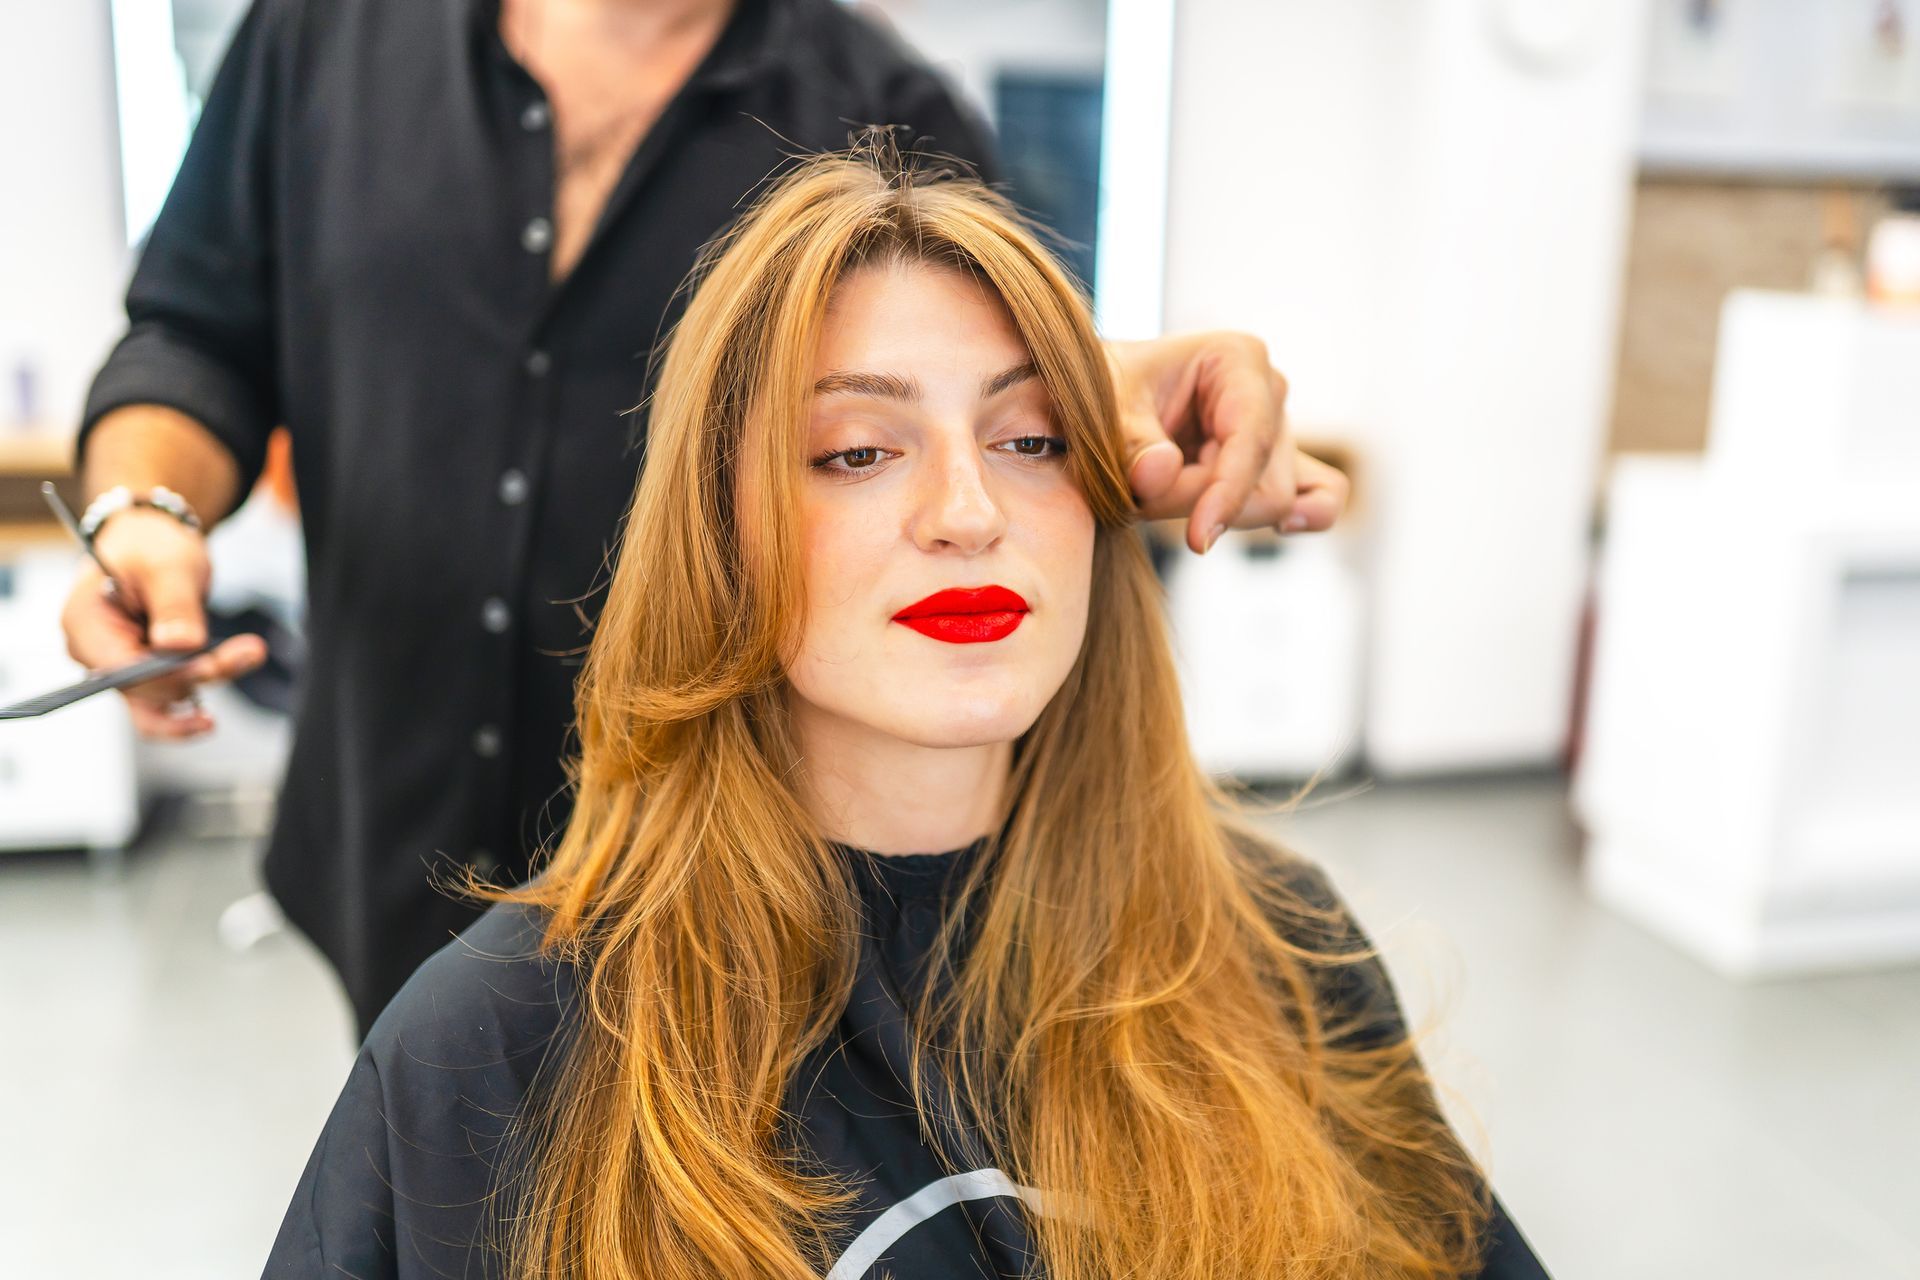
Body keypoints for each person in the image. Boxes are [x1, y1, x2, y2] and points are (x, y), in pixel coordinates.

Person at [264, 145, 1544, 1279]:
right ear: (722, 531)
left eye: (1034, 439)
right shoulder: (488, 1047)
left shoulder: (1281, 950)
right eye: (857, 452)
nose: (969, 511)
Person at [62, 0, 1349, 1037]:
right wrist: (143, 509)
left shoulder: (882, 112)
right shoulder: (322, 39)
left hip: (720, 890)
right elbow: (192, 329)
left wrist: (1088, 395)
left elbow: (951, 383)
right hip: (389, 820)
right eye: (844, 447)